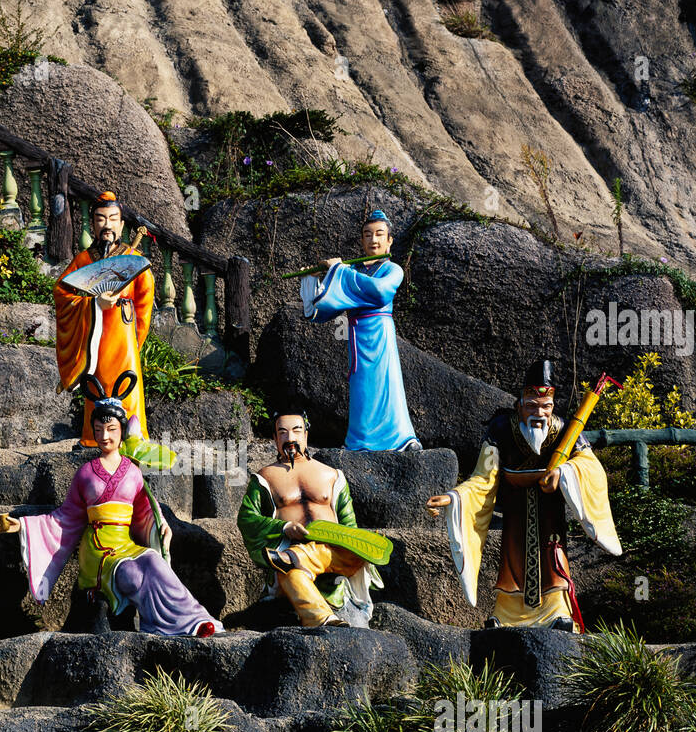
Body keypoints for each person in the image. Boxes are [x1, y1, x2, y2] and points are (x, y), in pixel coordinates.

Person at [0, 393, 220, 636]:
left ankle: (191, 620)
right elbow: (66, 516)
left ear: (122, 430)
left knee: (154, 561)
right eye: (99, 429)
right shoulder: (85, 473)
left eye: (111, 429)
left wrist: (161, 526)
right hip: (98, 549)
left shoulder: (133, 472)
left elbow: (146, 510)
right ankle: (164, 625)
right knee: (131, 575)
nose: (104, 436)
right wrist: (20, 525)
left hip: (125, 543)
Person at [426, 359, 621, 631]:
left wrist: (564, 473)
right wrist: (453, 498)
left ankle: (557, 612)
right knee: (513, 559)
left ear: (553, 407)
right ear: (519, 404)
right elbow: (483, 477)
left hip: (549, 511)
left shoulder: (567, 429)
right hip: (515, 509)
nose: (539, 413)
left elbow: (590, 466)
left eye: (546, 407)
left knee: (554, 558)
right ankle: (506, 614)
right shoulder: (502, 429)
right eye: (531, 406)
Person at [237, 410, 382, 628]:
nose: (290, 438)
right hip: (289, 549)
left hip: (337, 552)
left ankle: (299, 556)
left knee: (354, 554)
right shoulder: (264, 478)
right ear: (275, 439)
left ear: (306, 434)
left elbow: (349, 523)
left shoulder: (333, 475)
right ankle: (323, 618)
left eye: (296, 430)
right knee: (289, 575)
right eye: (282, 433)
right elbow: (247, 519)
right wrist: (284, 527)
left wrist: (362, 541)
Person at [300, 209, 421, 452]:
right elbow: (321, 312)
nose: (373, 240)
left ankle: (401, 437)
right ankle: (361, 441)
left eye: (379, 234)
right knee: (361, 387)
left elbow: (380, 292)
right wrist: (313, 280)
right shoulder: (355, 272)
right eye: (367, 234)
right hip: (357, 337)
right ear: (361, 240)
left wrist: (340, 271)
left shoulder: (392, 270)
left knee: (387, 384)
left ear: (389, 241)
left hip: (380, 333)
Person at [54, 191, 154, 447]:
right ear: (93, 225)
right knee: (96, 386)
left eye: (112, 219)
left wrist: (136, 340)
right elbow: (62, 294)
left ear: (121, 225)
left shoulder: (133, 259)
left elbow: (144, 302)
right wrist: (93, 304)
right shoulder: (84, 260)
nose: (106, 225)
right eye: (100, 219)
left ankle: (132, 439)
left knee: (127, 385)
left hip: (123, 334)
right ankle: (92, 438)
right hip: (95, 338)